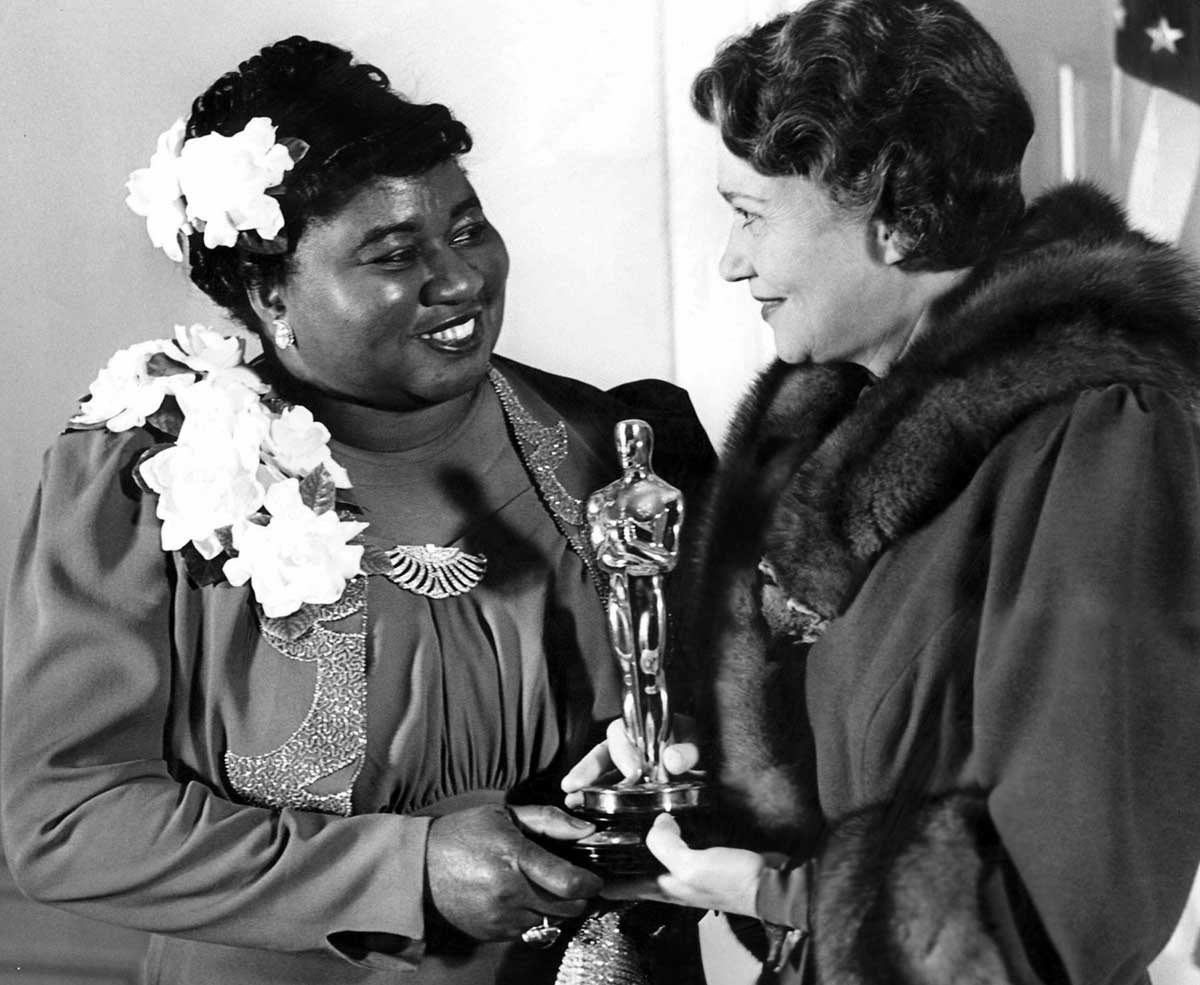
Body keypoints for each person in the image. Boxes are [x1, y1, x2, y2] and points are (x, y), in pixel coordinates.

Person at [0, 37, 714, 985]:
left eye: (467, 229)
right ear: (267, 292)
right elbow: (64, 818)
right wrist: (405, 869)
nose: (460, 280)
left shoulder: (611, 442)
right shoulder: (151, 474)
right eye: (392, 252)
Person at [564, 1, 1200, 982]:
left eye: (750, 217)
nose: (732, 262)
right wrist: (682, 774)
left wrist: (778, 892)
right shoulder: (839, 427)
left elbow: (1082, 890)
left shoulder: (1099, 436)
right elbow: (865, 751)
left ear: (899, 217)